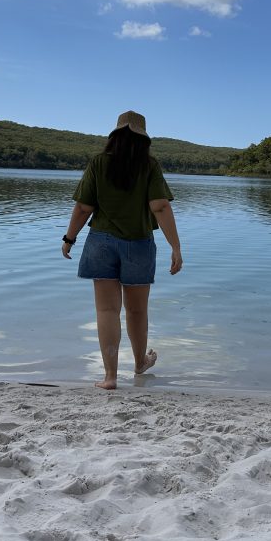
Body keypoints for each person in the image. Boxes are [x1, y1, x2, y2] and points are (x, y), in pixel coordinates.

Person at [62, 110, 183, 390]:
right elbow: (160, 206)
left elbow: (83, 207)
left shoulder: (99, 163)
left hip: (100, 242)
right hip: (139, 244)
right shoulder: (149, 165)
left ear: (114, 136)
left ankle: (110, 377)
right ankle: (140, 363)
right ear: (143, 140)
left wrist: (69, 238)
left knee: (106, 310)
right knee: (137, 311)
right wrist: (175, 246)